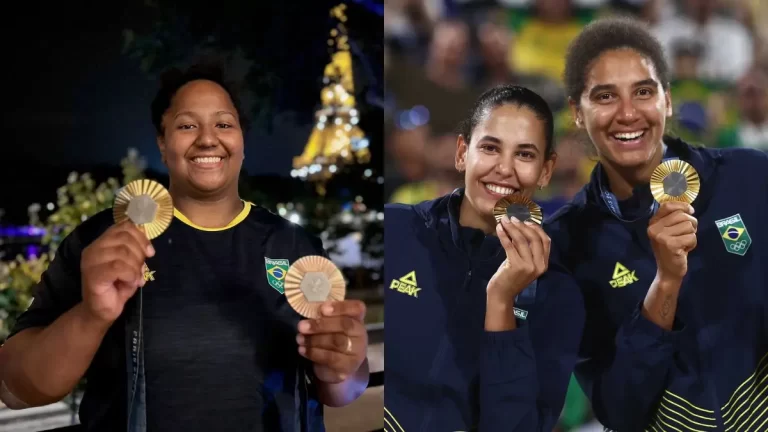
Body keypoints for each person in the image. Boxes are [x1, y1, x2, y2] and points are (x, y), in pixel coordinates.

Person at [0, 62, 370, 432]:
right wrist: (91, 315)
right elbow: (15, 390)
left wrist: (344, 364)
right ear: (162, 143)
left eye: (224, 124)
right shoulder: (103, 242)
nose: (208, 139)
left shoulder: (295, 244)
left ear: (242, 141)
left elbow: (341, 390)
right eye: (187, 125)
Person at [545, 17, 768, 430]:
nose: (628, 113)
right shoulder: (566, 245)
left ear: (666, 99)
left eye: (643, 91)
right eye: (606, 96)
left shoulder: (751, 178)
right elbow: (621, 411)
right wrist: (665, 283)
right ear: (578, 112)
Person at [384, 84, 585, 431]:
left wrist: (501, 301)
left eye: (524, 154)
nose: (504, 168)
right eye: (490, 148)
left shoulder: (558, 293)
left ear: (546, 170)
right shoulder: (396, 230)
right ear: (462, 153)